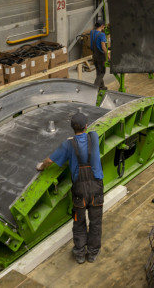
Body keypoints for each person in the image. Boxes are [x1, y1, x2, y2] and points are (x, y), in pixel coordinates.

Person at [36, 113, 104, 264]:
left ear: (72, 128)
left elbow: (49, 161)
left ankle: (79, 254)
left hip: (79, 190)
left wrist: (41, 166)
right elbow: (90, 133)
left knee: (78, 222)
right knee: (96, 222)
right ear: (86, 126)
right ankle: (92, 254)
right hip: (96, 188)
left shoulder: (67, 145)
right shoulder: (94, 137)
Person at [89, 21, 108, 90]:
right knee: (102, 73)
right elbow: (103, 47)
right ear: (102, 26)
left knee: (98, 72)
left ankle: (102, 87)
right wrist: (108, 55)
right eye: (104, 26)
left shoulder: (92, 32)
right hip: (100, 56)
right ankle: (94, 89)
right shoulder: (102, 35)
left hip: (94, 55)